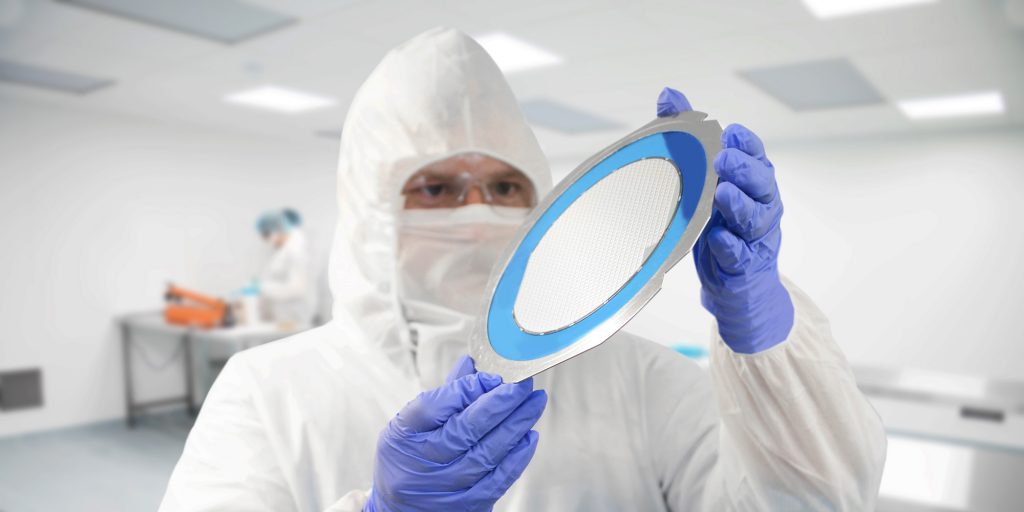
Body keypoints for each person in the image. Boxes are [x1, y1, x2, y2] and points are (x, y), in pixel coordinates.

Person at [159, 28, 886, 511]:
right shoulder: (267, 391)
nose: (477, 212)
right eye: (436, 187)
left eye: (506, 187)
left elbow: (813, 503)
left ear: (544, 206)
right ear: (368, 210)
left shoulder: (639, 379)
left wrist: (763, 338)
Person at [253, 208, 313, 327]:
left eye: (266, 234)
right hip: (282, 317)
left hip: (295, 316)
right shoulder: (281, 251)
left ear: (279, 229)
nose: (265, 240)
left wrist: (263, 287)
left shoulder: (296, 251)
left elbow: (297, 288)